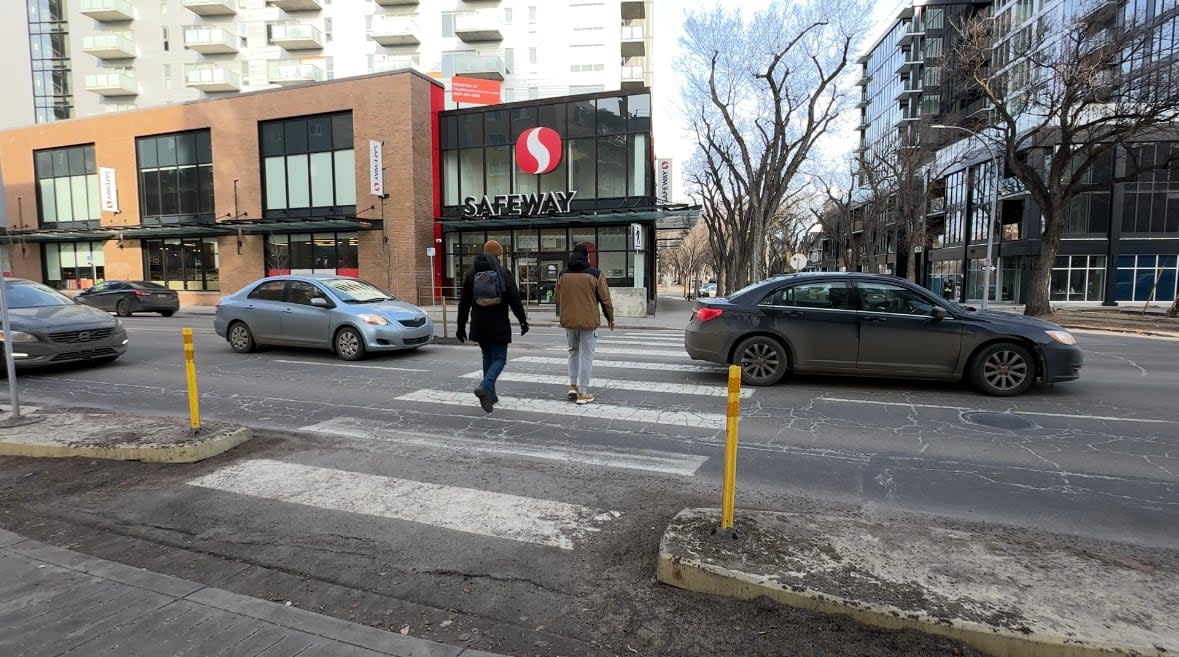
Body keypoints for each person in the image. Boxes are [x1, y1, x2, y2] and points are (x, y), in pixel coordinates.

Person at [456, 240, 529, 413]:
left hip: (479, 323)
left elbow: (464, 303)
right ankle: (485, 386)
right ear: (498, 255)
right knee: (500, 359)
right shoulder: (503, 272)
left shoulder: (471, 272)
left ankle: (491, 396)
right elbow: (515, 299)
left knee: (487, 357)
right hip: (498, 323)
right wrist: (523, 321)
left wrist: (460, 326)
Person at [554, 243, 614, 405]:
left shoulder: (563, 274)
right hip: (589, 321)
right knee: (586, 355)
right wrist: (610, 318)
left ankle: (572, 386)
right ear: (587, 257)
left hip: (569, 321)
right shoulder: (595, 274)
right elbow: (605, 299)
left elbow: (556, 298)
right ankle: (583, 393)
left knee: (573, 351)